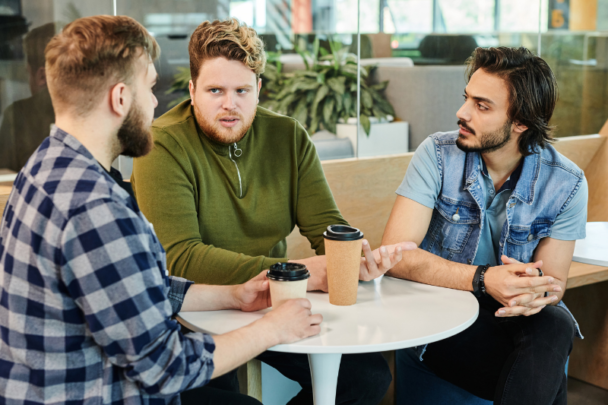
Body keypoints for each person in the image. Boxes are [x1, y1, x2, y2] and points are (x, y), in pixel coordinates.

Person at [0, 15, 323, 405]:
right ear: (120, 98)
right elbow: (165, 370)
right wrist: (272, 329)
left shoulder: (44, 166)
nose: (156, 103)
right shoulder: (97, 210)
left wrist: (233, 295)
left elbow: (130, 287)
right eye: (150, 88)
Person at [131, 18, 415, 405]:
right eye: (215, 90)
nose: (229, 104)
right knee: (230, 395)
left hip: (272, 301)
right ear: (193, 90)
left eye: (241, 90)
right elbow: (179, 257)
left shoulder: (287, 136)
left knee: (365, 377)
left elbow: (326, 225)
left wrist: (355, 256)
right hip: (195, 312)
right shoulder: (162, 144)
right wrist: (295, 274)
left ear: (259, 89)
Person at [382, 47, 587, 405]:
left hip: (508, 321)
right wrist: (483, 279)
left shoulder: (566, 183)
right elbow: (396, 256)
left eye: (482, 106)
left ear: (520, 122)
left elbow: (553, 284)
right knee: (543, 373)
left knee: (555, 324)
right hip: (440, 315)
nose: (462, 113)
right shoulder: (438, 156)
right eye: (467, 99)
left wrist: (533, 292)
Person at [0, 23, 56, 172]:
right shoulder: (84, 112)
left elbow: (4, 173)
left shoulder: (16, 114)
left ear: (42, 76)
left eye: (27, 73)